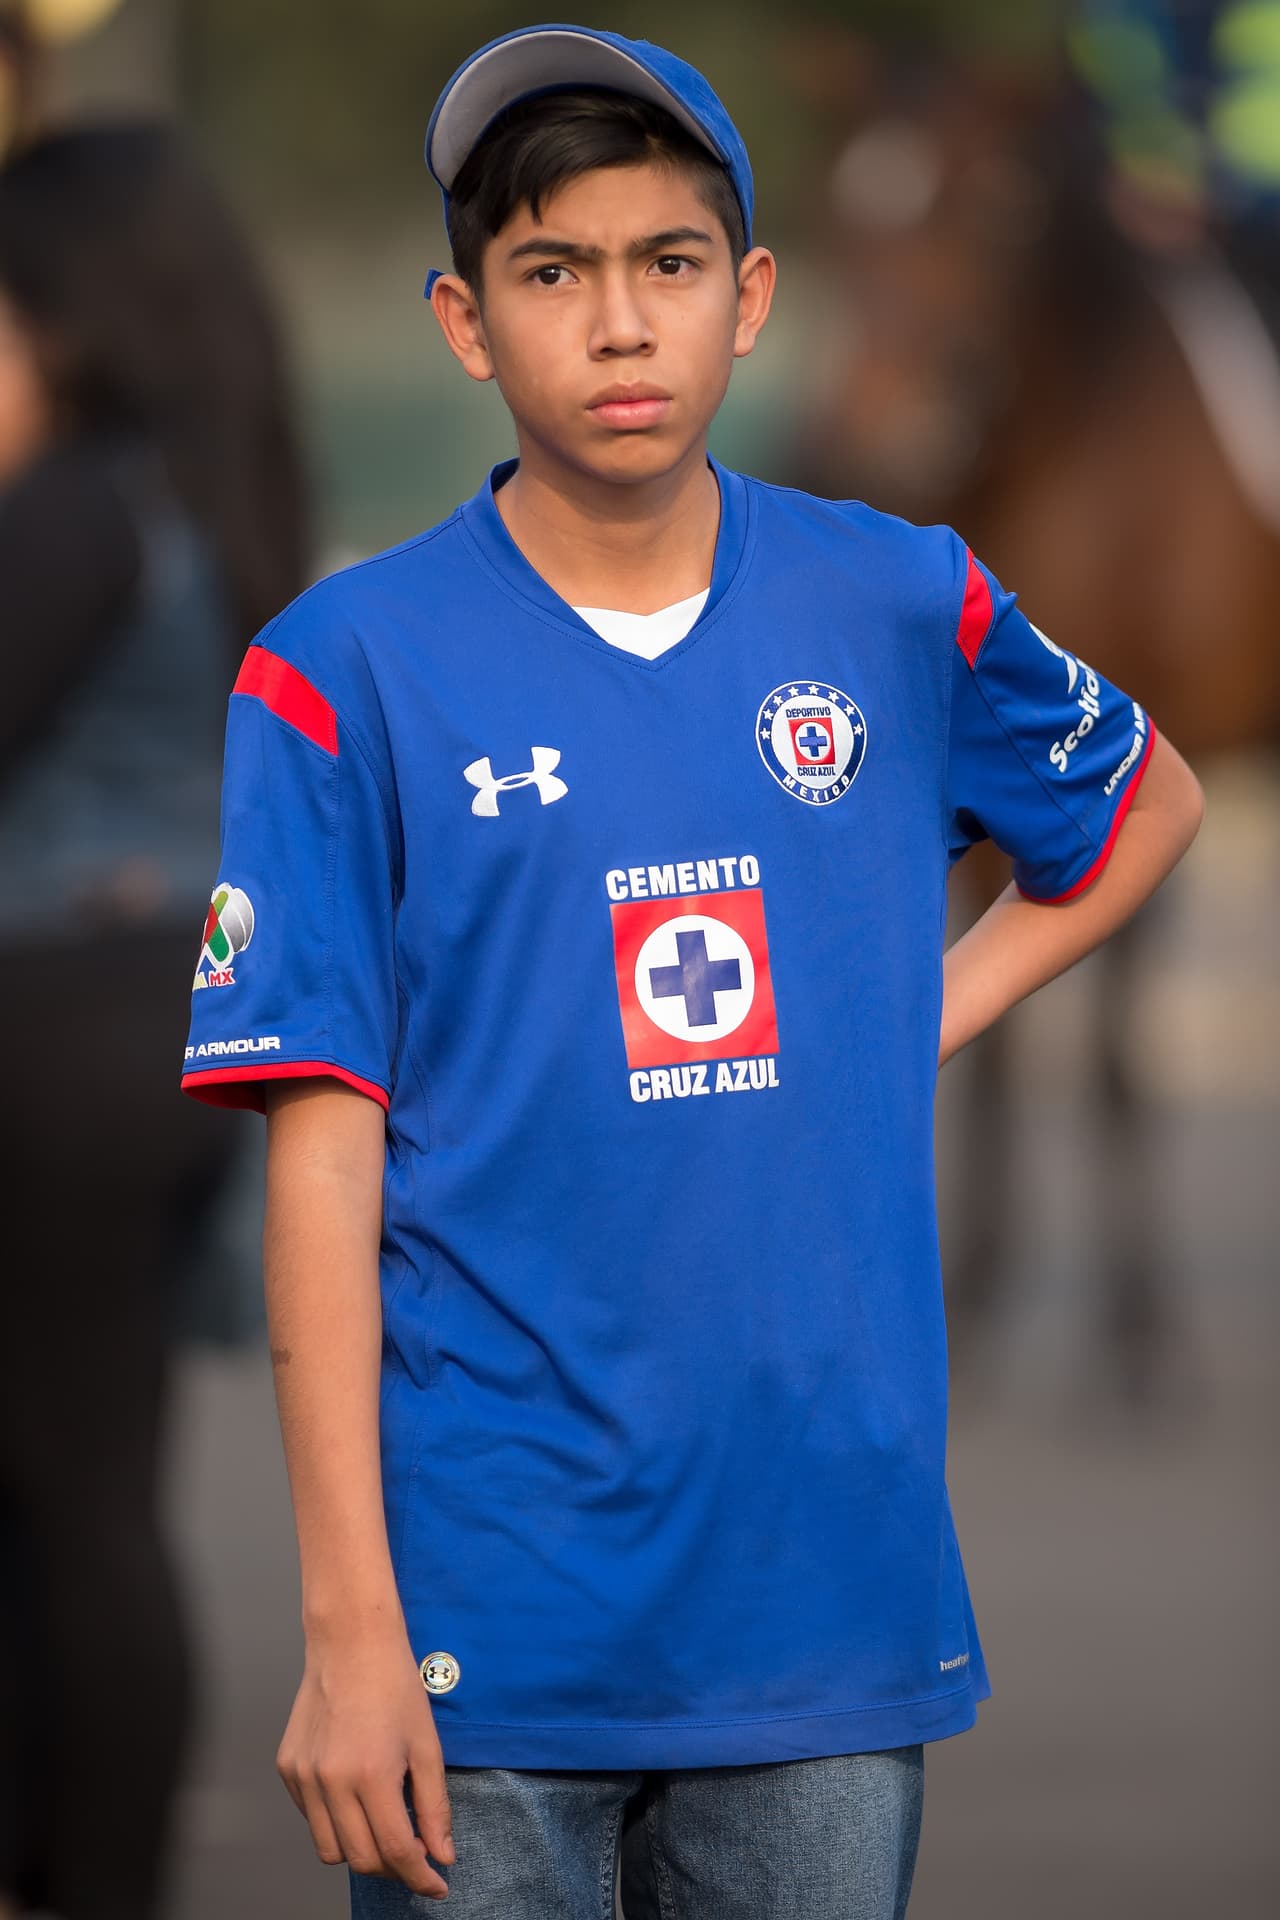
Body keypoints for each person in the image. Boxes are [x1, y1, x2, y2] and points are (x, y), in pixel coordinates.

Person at [179, 25, 1204, 1919]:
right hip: (485, 1631)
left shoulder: (900, 596)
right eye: (552, 273)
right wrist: (348, 1636)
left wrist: (917, 1020)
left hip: (824, 1613)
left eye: (666, 267)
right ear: (466, 325)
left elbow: (1146, 803)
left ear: (750, 302)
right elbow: (319, 1149)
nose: (620, 324)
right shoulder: (340, 671)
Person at [0, 122, 307, 1920]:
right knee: (89, 1485)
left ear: (71, 312)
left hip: (48, 1019)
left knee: (66, 1500)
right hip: (170, 1017)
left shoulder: (77, 507)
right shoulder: (220, 497)